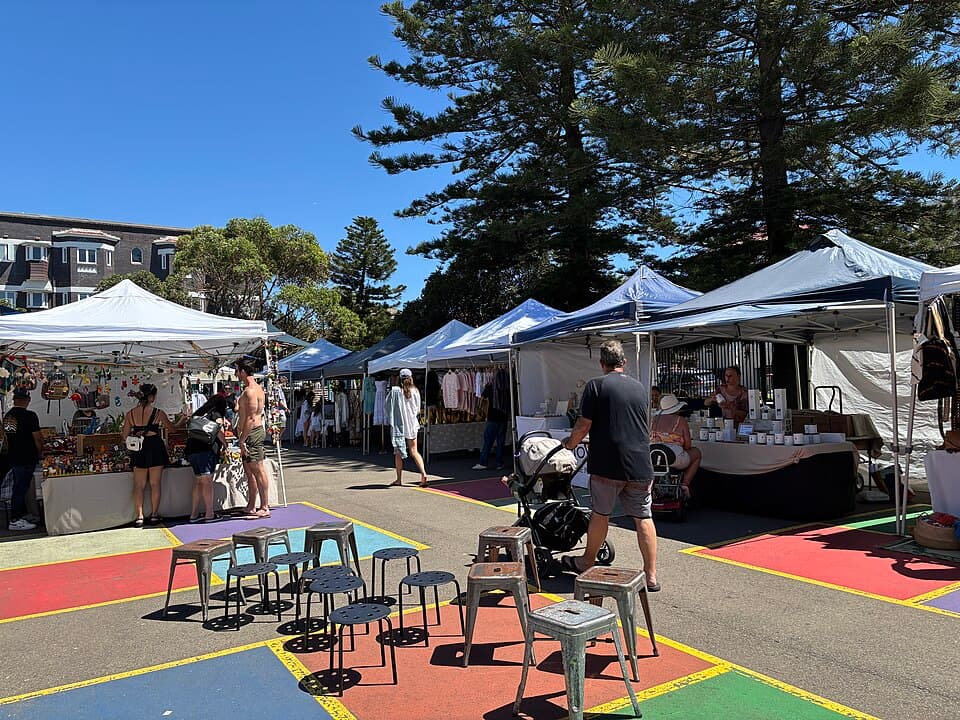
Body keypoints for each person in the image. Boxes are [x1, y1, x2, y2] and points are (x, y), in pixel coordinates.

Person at [560, 339, 660, 591]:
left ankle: (587, 561)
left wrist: (570, 443)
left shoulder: (595, 386)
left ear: (601, 363)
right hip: (640, 463)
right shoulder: (639, 388)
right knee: (643, 516)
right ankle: (650, 575)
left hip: (608, 462)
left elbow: (584, 424)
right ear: (623, 362)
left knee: (601, 513)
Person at [122, 383, 181, 527]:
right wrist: (182, 421)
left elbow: (124, 436)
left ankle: (139, 516)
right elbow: (172, 429)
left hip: (139, 448)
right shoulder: (158, 413)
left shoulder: (130, 414)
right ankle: (154, 515)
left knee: (139, 485)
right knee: (155, 484)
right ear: (151, 396)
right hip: (155, 446)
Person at [3, 389, 42, 531]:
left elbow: (8, 438)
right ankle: (15, 519)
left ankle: (21, 515)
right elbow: (37, 438)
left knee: (19, 487)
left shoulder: (9, 416)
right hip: (27, 457)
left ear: (14, 399)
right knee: (20, 488)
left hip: (14, 457)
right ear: (27, 400)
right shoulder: (30, 416)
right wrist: (40, 452)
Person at [235, 360, 270, 519]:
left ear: (243, 372)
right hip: (248, 433)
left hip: (252, 433)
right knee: (250, 472)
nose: (236, 374)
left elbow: (251, 418)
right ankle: (251, 505)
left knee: (258, 469)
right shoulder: (252, 390)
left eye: (237, 371)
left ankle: (264, 506)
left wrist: (242, 440)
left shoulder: (251, 391)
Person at [185, 395, 228, 522]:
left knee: (198, 481)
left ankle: (194, 514)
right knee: (207, 481)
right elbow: (219, 430)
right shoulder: (216, 414)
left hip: (192, 449)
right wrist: (225, 444)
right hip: (206, 449)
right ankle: (209, 514)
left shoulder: (199, 413)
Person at [650, 392, 701, 498]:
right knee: (697, 453)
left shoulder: (653, 419)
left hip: (653, 456)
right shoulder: (680, 421)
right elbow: (688, 445)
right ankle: (685, 483)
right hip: (674, 457)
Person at [387, 368, 429, 487]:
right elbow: (417, 409)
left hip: (400, 424)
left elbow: (390, 407)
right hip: (412, 423)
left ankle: (399, 479)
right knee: (414, 451)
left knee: (398, 452)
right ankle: (423, 473)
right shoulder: (415, 391)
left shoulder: (397, 392)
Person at [473, 382, 507, 471]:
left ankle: (483, 462)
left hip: (492, 417)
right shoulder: (507, 385)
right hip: (503, 416)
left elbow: (483, 396)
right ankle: (499, 463)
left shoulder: (490, 386)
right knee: (500, 441)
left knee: (488, 441)